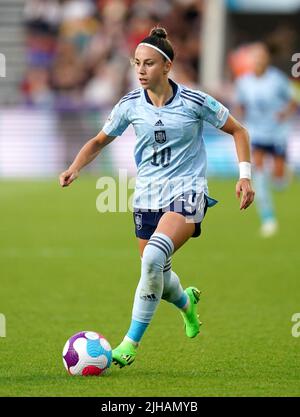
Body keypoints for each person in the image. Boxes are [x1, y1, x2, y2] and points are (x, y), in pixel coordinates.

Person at [59, 27, 255, 368]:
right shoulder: (130, 105)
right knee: (157, 276)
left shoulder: (195, 102)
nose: (140, 70)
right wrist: (75, 167)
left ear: (167, 66)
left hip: (188, 193)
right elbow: (98, 141)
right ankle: (186, 304)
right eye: (136, 63)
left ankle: (129, 344)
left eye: (148, 64)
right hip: (146, 198)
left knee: (151, 260)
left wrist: (245, 176)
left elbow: (239, 130)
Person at [235, 42, 297, 237]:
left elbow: (293, 100)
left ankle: (285, 171)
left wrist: (284, 114)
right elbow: (240, 105)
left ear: (266, 59)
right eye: (254, 57)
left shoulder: (277, 79)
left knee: (279, 182)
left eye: (261, 56)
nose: (258, 60)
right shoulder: (243, 82)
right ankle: (268, 219)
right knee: (259, 176)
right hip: (257, 133)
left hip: (277, 132)